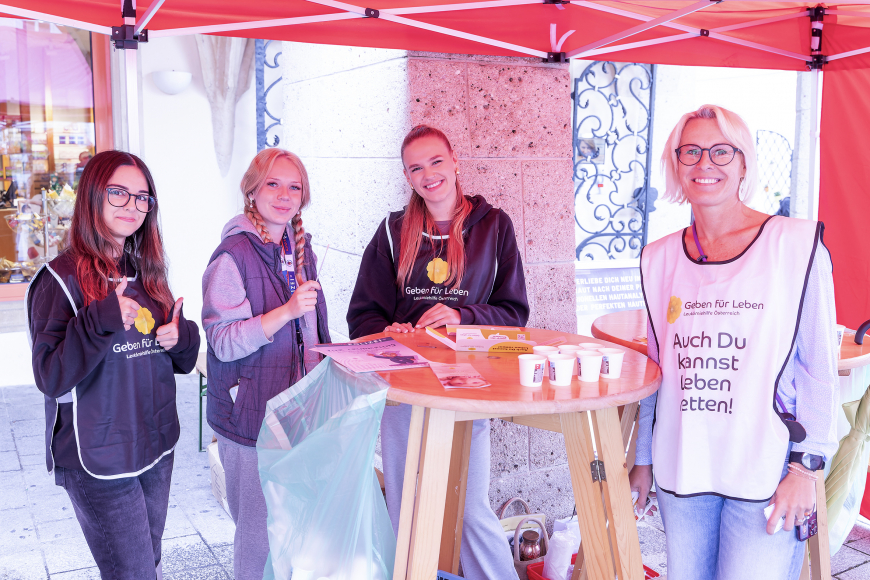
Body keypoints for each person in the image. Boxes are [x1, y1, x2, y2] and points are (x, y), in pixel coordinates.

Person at [629, 105, 838, 579]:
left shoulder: (794, 244)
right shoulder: (659, 258)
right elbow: (659, 370)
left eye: (722, 151)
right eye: (691, 152)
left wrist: (806, 469)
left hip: (766, 469)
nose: (705, 164)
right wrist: (642, 460)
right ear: (675, 164)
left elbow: (818, 368)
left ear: (744, 163)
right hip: (684, 470)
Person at [347, 124, 529, 580]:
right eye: (416, 167)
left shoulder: (494, 226)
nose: (428, 174)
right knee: (405, 508)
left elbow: (514, 312)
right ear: (407, 177)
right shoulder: (392, 232)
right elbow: (362, 317)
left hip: (470, 389)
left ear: (454, 162)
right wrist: (389, 330)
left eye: (436, 161)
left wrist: (463, 317)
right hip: (406, 392)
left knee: (470, 508)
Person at [26, 150, 200, 579]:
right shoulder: (59, 280)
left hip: (154, 444)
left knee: (148, 564)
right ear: (92, 197)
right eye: (118, 193)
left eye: (143, 197)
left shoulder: (146, 271)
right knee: (133, 573)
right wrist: (101, 319)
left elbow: (182, 358)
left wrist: (182, 337)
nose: (133, 206)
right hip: (97, 455)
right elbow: (50, 377)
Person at [202, 148, 330, 580]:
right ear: (252, 190)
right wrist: (286, 312)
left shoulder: (300, 247)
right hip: (251, 414)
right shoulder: (232, 255)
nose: (284, 195)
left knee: (297, 524)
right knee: (257, 536)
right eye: (272, 184)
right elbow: (221, 343)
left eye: (294, 187)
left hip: (301, 409)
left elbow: (309, 331)